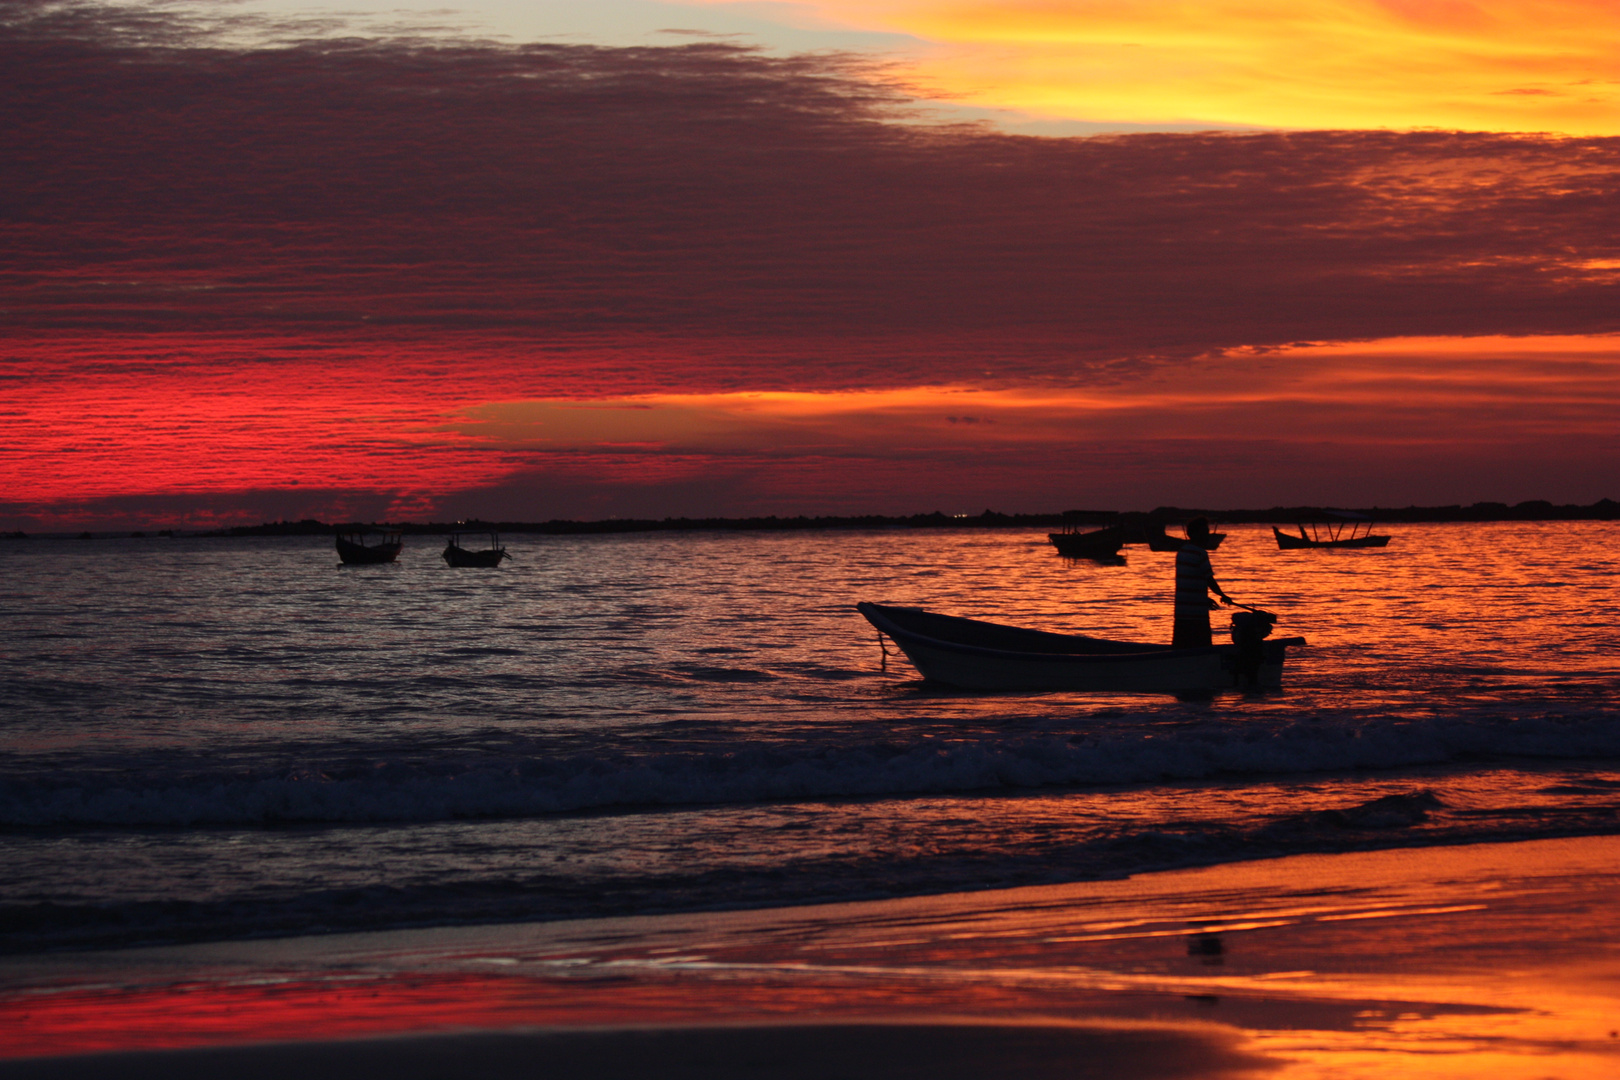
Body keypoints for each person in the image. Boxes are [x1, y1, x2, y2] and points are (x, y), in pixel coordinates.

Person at [1173, 517, 1230, 647]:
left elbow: (1189, 582)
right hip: (1196, 614)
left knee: (1181, 647)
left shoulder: (1181, 552)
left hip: (1181, 611)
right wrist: (1223, 596)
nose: (1207, 535)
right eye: (1205, 532)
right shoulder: (1200, 553)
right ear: (1196, 534)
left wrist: (1205, 599)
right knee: (1202, 646)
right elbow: (1209, 580)